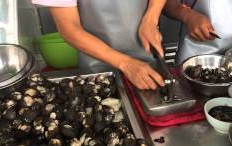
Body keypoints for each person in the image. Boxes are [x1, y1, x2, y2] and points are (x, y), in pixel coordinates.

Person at [32, 0, 166, 90]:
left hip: (148, 59)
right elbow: (69, 28)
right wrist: (125, 63)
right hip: (98, 68)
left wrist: (151, 17)